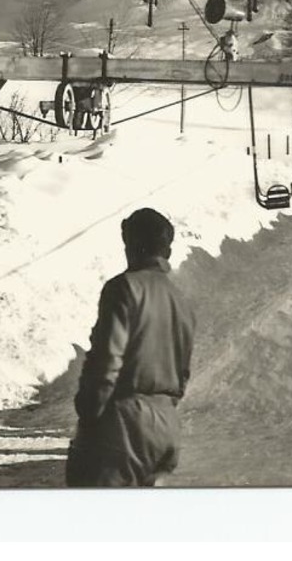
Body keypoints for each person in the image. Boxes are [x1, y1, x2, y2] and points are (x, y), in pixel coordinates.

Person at [66, 207, 196, 487]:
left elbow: (107, 360)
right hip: (166, 428)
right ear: (167, 252)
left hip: (122, 428)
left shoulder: (124, 288)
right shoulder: (181, 300)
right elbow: (183, 374)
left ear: (131, 246)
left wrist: (88, 412)